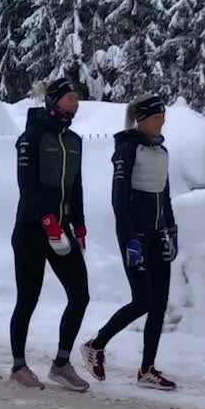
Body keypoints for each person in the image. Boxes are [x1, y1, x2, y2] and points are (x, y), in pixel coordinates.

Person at [80, 95, 178, 390]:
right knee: (143, 300)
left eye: (163, 117)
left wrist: (171, 230)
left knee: (159, 304)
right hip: (135, 237)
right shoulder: (127, 150)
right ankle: (96, 345)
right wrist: (130, 238)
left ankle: (147, 369)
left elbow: (165, 195)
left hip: (158, 234)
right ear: (142, 119)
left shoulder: (161, 151)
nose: (162, 121)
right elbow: (118, 200)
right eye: (157, 117)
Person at [7, 77, 92, 392]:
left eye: (77, 97)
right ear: (55, 101)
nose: (76, 102)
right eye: (70, 97)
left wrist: (79, 224)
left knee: (79, 295)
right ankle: (18, 366)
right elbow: (27, 187)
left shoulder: (74, 141)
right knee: (28, 298)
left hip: (62, 229)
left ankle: (61, 363)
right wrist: (46, 220)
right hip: (32, 230)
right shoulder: (31, 137)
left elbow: (76, 186)